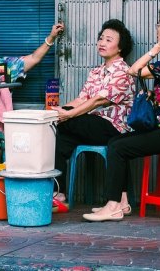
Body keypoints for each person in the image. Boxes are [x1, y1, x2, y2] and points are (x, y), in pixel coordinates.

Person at [83, 3, 160, 222]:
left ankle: (113, 205)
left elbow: (133, 70)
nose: (157, 29)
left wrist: (156, 48)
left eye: (159, 25)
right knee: (116, 141)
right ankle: (122, 203)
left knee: (119, 147)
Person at [50, 19, 135, 213]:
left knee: (66, 124)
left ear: (120, 47)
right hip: (94, 124)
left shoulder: (124, 72)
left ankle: (120, 200)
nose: (102, 43)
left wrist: (68, 114)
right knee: (59, 132)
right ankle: (59, 193)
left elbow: (98, 101)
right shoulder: (96, 72)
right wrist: (56, 112)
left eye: (109, 39)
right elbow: (82, 100)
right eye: (101, 38)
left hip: (115, 127)